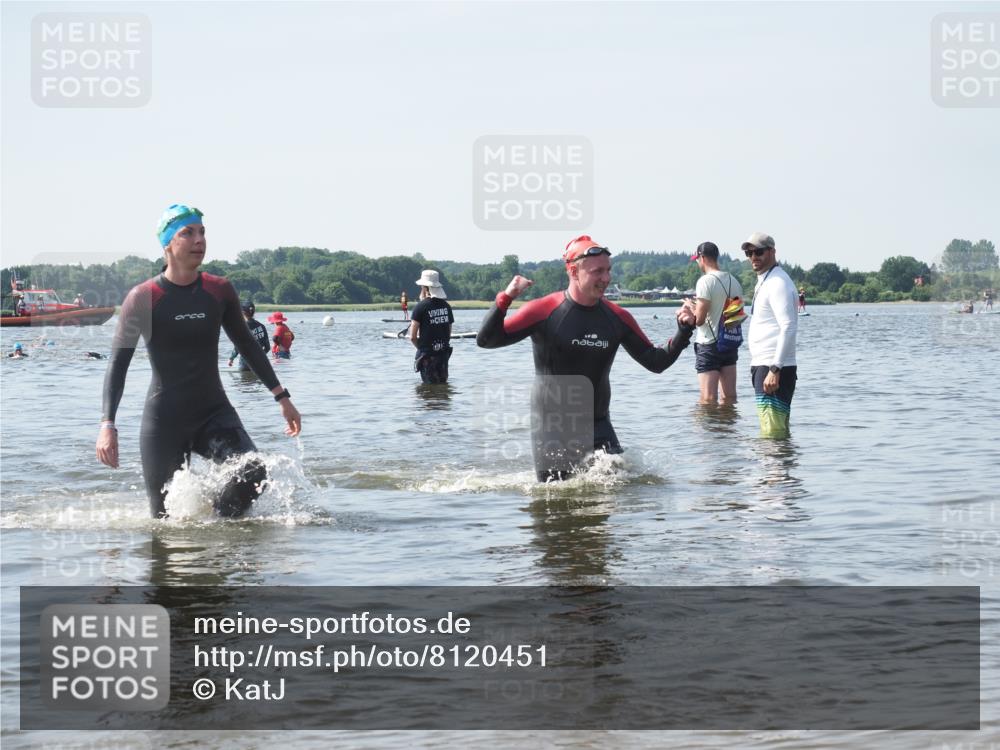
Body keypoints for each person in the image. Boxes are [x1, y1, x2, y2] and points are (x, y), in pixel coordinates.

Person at [96, 204, 301, 519]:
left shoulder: (218, 290)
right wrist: (107, 425)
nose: (199, 240)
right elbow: (118, 364)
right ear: (167, 244)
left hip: (214, 414)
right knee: (163, 522)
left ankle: (218, 532)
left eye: (202, 232)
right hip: (164, 421)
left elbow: (246, 343)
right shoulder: (143, 297)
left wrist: (281, 396)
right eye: (187, 233)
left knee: (253, 471)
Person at [477, 235, 696, 481]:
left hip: (599, 423)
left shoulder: (617, 317)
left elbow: (656, 362)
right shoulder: (544, 310)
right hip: (553, 428)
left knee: (616, 493)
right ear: (573, 270)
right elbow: (487, 340)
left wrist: (684, 330)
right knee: (555, 505)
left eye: (608, 270)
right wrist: (505, 298)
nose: (606, 278)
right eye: (598, 271)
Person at [743, 231, 798, 439]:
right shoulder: (765, 280)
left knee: (772, 434)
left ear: (772, 251)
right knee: (775, 433)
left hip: (772, 367)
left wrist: (775, 368)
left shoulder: (777, 282)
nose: (753, 257)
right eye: (749, 253)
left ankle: (774, 470)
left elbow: (788, 326)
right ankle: (775, 470)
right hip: (764, 365)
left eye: (758, 251)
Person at [691, 241, 744, 406]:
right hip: (729, 343)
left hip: (709, 344)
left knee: (708, 400)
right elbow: (734, 316)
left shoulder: (705, 281)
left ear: (703, 257)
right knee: (729, 398)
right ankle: (727, 430)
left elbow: (699, 320)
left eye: (697, 259)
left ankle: (709, 432)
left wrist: (690, 308)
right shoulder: (734, 281)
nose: (698, 263)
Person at [409, 270, 454, 384]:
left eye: (422, 287)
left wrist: (423, 349)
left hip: (427, 357)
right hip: (443, 355)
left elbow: (412, 337)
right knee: (443, 387)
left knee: (429, 392)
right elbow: (448, 333)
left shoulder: (420, 307)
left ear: (425, 288)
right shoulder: (446, 306)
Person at [228, 301, 269, 370]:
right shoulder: (262, 326)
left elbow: (238, 347)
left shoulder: (240, 327)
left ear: (242, 312)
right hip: (258, 364)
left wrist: (231, 358)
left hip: (245, 363)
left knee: (244, 380)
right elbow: (267, 347)